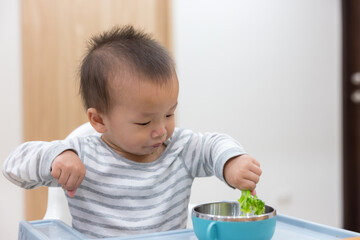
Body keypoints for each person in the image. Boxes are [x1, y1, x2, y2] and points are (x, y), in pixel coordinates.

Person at [3, 25, 262, 238]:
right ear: (99, 120)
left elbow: (211, 145)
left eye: (169, 114)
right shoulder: (82, 154)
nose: (161, 130)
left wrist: (231, 162)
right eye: (144, 123)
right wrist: (58, 156)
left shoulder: (180, 149)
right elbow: (13, 166)